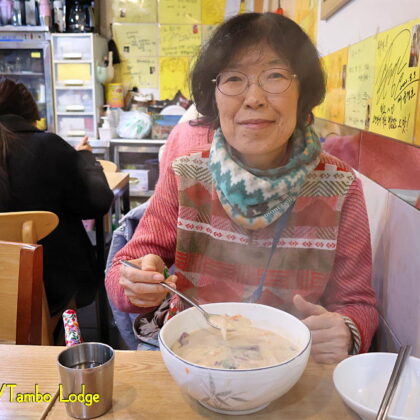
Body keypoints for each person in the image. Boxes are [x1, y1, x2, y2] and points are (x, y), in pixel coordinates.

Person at [106, 13, 378, 363]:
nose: (254, 98)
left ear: (303, 93)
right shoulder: (187, 173)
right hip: (193, 354)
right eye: (234, 78)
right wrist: (136, 283)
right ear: (214, 95)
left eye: (275, 76)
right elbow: (121, 271)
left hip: (290, 366)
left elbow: (359, 304)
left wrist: (347, 329)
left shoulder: (339, 185)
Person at [0, 77, 114, 315]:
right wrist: (84, 159)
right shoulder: (47, 146)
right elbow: (98, 202)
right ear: (30, 113)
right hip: (51, 288)